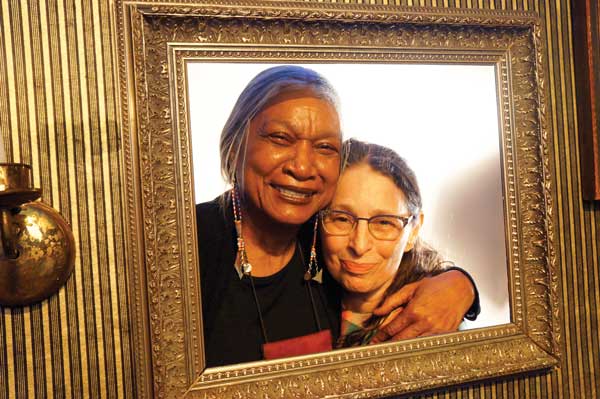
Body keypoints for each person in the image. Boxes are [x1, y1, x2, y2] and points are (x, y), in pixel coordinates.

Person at [197, 65, 479, 368]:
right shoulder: (188, 242)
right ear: (235, 143)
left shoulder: (318, 238)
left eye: (324, 147)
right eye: (280, 138)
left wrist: (461, 285)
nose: (302, 168)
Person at [320, 139, 455, 347]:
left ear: (414, 231)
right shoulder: (300, 293)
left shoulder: (436, 323)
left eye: (384, 223)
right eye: (342, 219)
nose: (359, 244)